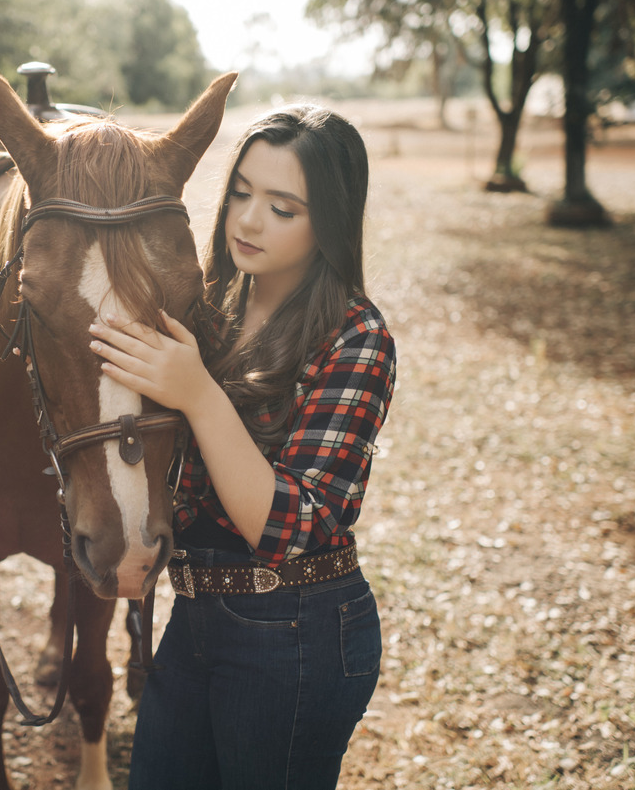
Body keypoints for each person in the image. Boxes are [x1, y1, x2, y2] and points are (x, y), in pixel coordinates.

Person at [88, 103, 396, 789]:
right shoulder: (210, 311)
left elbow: (291, 526)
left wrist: (198, 391)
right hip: (193, 616)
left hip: (296, 633)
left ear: (332, 224)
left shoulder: (356, 338)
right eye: (241, 193)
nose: (249, 220)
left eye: (284, 208)